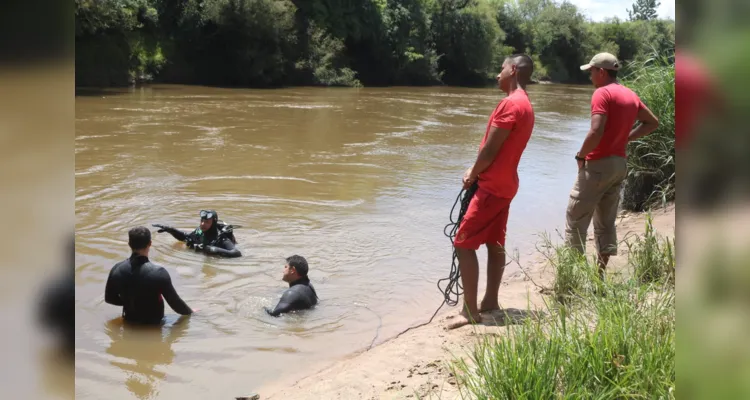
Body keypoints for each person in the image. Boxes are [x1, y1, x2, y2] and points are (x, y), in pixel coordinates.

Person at [448, 54, 536, 329]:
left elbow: (490, 150)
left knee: (463, 243)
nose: (497, 76)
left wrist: (472, 173)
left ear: (512, 70)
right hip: (507, 185)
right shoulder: (526, 105)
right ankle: (490, 302)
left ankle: (469, 311)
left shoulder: (510, 104)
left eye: (501, 70)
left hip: (491, 187)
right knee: (495, 243)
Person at [566, 52, 659, 278]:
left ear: (602, 72)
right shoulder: (630, 94)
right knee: (606, 222)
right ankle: (599, 276)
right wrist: (626, 138)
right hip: (619, 164)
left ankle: (571, 279)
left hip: (598, 164)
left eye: (591, 72)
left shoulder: (602, 93)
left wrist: (581, 155)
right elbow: (652, 123)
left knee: (575, 218)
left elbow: (596, 131)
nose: (590, 77)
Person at [105, 226, 195, 324]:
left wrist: (131, 302)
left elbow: (109, 299)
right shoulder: (159, 273)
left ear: (129, 244)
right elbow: (176, 305)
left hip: (129, 322)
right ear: (150, 243)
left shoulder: (116, 269)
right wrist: (192, 313)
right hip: (154, 326)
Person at [153, 209, 242, 258]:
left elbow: (237, 253)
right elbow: (185, 237)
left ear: (213, 223)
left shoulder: (221, 238)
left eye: (207, 222)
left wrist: (214, 250)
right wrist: (170, 230)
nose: (203, 224)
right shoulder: (200, 231)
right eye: (202, 221)